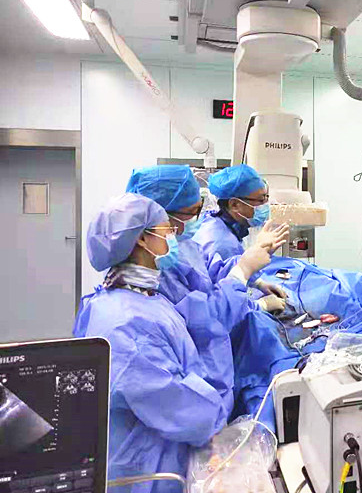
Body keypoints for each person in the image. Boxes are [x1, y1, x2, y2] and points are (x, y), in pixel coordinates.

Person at [73, 193, 275, 493]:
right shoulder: (128, 325)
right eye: (167, 229)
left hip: (161, 448)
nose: (174, 236)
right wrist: (220, 421)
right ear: (143, 239)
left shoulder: (136, 298)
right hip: (148, 473)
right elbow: (184, 409)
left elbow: (189, 337)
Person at [126, 165, 290, 322]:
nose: (197, 218)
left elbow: (211, 269)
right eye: (191, 212)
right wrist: (256, 303)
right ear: (158, 218)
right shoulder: (159, 266)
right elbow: (202, 320)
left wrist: (255, 278)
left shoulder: (183, 243)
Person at [194, 164, 272, 269]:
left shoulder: (216, 222)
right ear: (234, 204)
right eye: (261, 200)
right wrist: (259, 251)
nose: (265, 205)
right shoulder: (222, 245)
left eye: (266, 198)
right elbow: (235, 278)